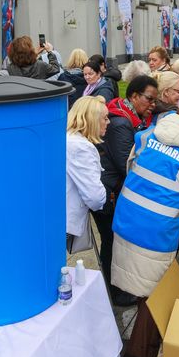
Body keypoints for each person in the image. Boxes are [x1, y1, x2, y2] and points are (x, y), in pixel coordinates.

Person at [113, 95, 179, 357]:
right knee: (155, 287)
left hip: (128, 213)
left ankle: (137, 320)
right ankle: (141, 351)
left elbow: (131, 162)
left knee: (134, 272)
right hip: (158, 227)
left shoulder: (150, 134)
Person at [95, 75, 159, 305]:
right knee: (111, 241)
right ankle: (113, 293)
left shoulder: (132, 116)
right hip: (109, 192)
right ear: (133, 96)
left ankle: (114, 287)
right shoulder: (122, 123)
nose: (152, 104)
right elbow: (127, 163)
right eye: (149, 99)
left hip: (113, 188)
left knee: (113, 239)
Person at [65, 96, 108, 252]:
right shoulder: (81, 148)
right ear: (92, 120)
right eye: (105, 118)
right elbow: (95, 198)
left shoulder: (68, 138)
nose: (108, 122)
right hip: (65, 222)